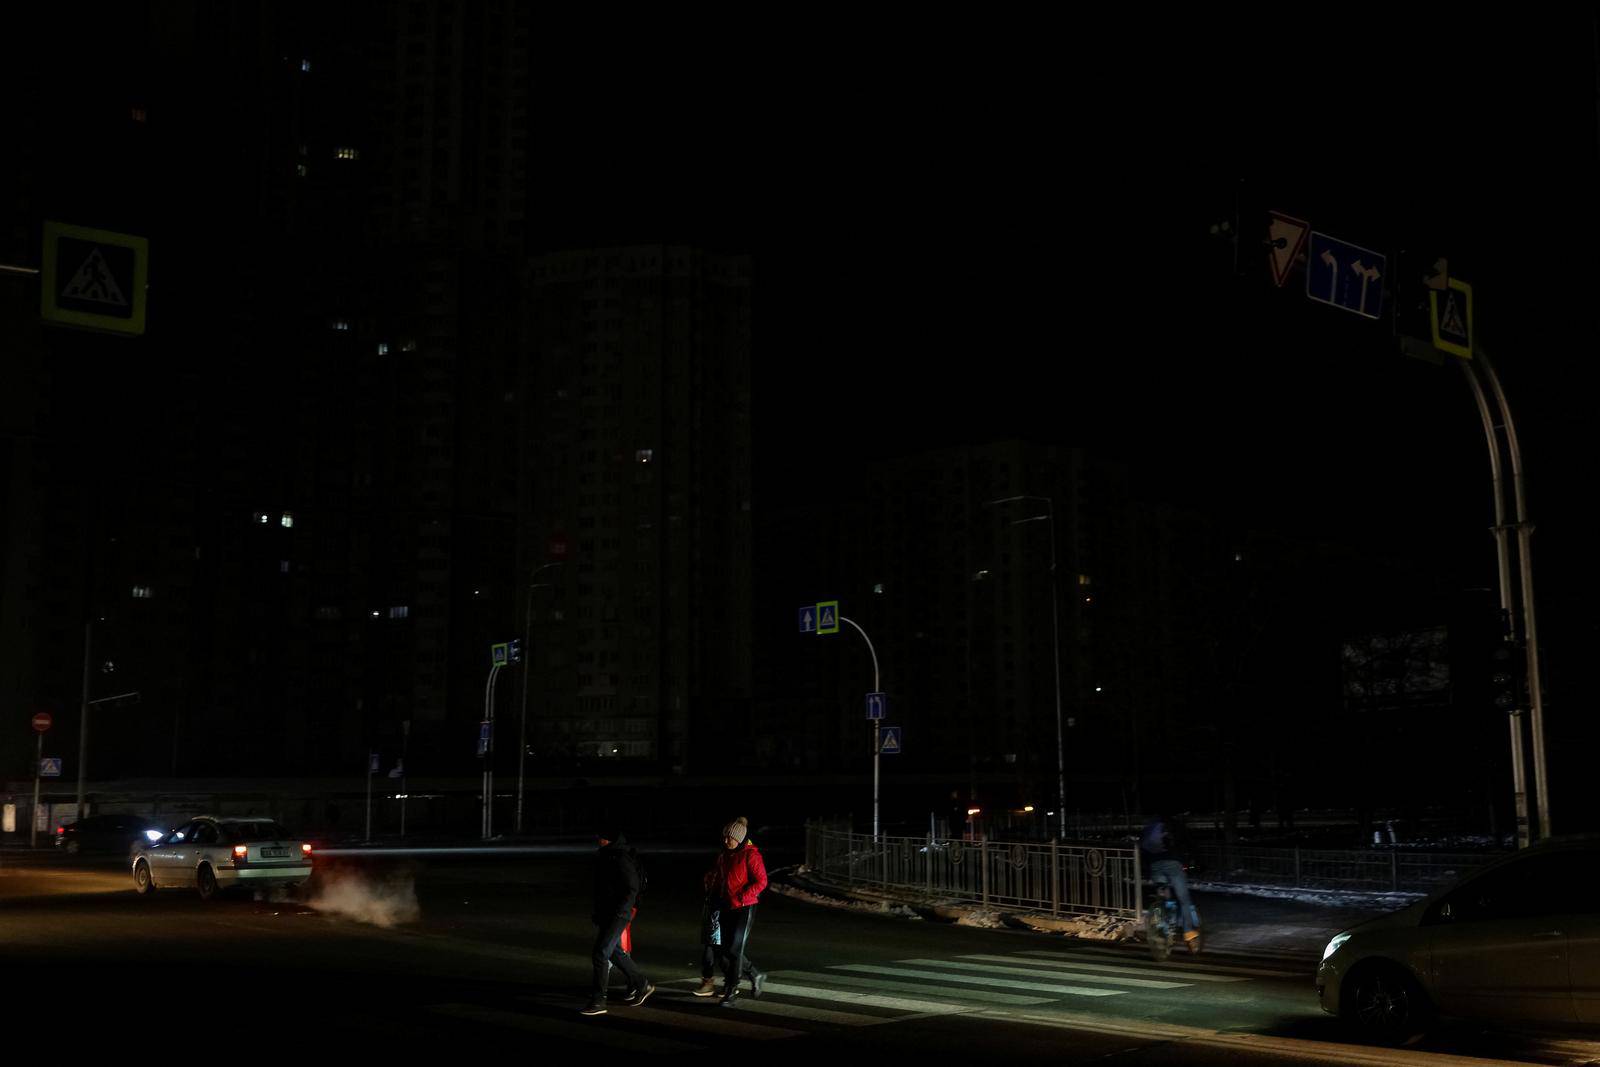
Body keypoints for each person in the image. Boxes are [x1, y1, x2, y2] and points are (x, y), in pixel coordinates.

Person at [582, 826, 654, 1016]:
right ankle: (641, 984)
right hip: (609, 913)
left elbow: (632, 888)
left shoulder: (620, 857)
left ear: (610, 839)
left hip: (618, 914)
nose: (598, 839)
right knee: (614, 952)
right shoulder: (607, 855)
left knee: (600, 953)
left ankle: (598, 1000)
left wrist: (621, 912)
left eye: (602, 836)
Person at [709, 816, 767, 1007]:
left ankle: (731, 991)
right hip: (726, 905)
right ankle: (754, 974)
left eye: (730, 838)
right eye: (725, 837)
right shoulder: (724, 855)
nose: (726, 841)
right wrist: (710, 882)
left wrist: (743, 896)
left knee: (734, 949)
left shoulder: (751, 855)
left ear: (740, 839)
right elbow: (718, 876)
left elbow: (762, 881)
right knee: (722, 950)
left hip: (744, 907)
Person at [1140, 813, 1198, 943]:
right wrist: (1195, 860)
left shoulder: (1150, 827)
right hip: (1173, 863)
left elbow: (1143, 849)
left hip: (1154, 864)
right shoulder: (1176, 825)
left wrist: (1147, 871)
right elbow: (1189, 844)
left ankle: (1161, 923)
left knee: (1163, 894)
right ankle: (1188, 931)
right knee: (1184, 899)